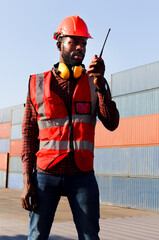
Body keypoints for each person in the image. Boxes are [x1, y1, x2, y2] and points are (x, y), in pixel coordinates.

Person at [21, 15, 119, 240]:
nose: (80, 48)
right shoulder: (37, 83)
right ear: (59, 44)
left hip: (82, 176)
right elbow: (28, 133)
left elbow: (112, 123)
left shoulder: (95, 83)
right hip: (45, 175)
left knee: (90, 237)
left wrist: (102, 85)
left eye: (84, 43)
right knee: (36, 236)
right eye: (73, 42)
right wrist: (27, 181)